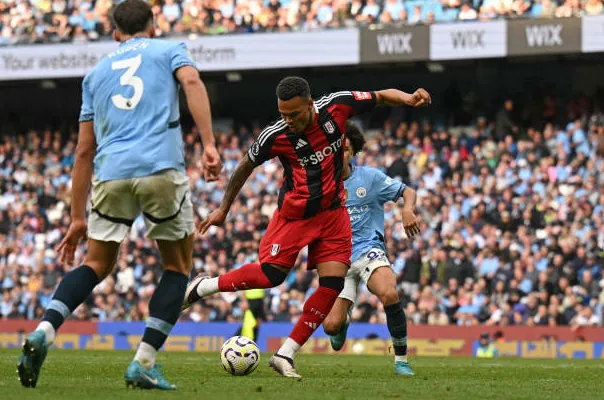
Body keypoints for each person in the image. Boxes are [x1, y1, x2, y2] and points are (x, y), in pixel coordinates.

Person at [17, 0, 221, 390]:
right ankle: (144, 361)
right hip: (160, 168)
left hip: (110, 175)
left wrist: (78, 218)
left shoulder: (95, 74)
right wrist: (209, 144)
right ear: (154, 26)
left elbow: (82, 150)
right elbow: (192, 83)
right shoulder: (168, 49)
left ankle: (44, 329)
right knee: (177, 267)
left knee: (96, 264)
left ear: (115, 32)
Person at [182, 76, 431, 378]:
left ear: (310, 105)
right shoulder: (275, 135)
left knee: (332, 284)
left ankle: (285, 354)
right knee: (271, 275)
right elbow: (245, 165)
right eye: (283, 114)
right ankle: (204, 287)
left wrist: (407, 98)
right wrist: (223, 208)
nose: (287, 120)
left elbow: (379, 95)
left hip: (333, 213)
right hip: (295, 215)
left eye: (294, 114)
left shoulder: (338, 105)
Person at [321, 122, 419, 376]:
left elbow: (408, 191)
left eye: (345, 149)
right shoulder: (321, 186)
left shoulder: (370, 178)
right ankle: (342, 322)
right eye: (335, 149)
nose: (339, 154)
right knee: (330, 326)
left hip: (368, 250)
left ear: (352, 153)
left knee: (389, 294)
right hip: (338, 260)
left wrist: (407, 210)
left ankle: (401, 360)